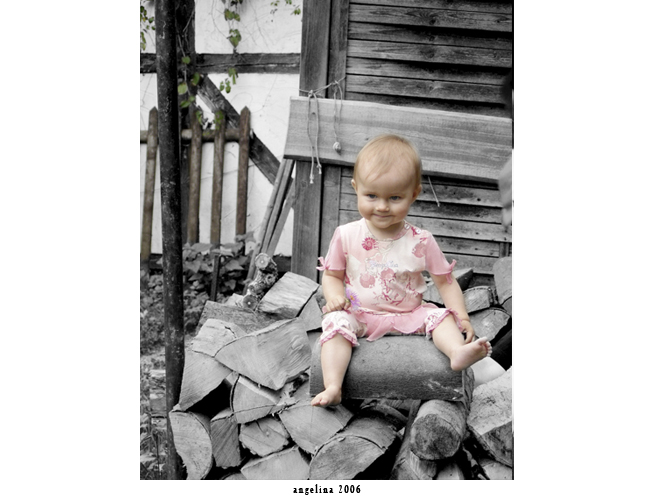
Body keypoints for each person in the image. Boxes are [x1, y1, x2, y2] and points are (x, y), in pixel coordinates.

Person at [311, 134, 492, 407]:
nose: (382, 206)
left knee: (441, 316)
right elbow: (333, 275)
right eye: (371, 196)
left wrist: (463, 317)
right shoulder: (346, 235)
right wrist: (335, 297)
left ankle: (456, 352)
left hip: (410, 315)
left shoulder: (421, 240)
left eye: (395, 197)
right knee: (335, 324)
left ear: (414, 194)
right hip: (360, 314)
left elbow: (445, 282)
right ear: (355, 188)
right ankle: (333, 385)